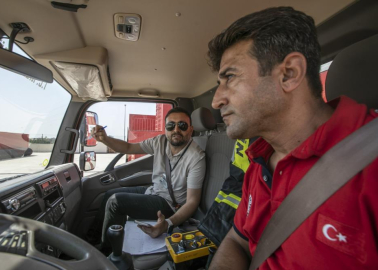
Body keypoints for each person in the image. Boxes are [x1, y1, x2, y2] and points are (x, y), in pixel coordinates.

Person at [207, 6, 378, 270]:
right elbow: (239, 241)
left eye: (230, 77)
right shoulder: (257, 165)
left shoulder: (370, 166)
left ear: (289, 74)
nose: (216, 100)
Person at [89, 107, 206, 252]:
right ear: (165, 129)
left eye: (182, 125)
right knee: (109, 194)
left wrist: (167, 223)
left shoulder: (196, 157)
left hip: (170, 205)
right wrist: (105, 139)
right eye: (171, 125)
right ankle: (91, 241)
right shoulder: (160, 141)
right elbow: (128, 147)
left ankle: (107, 254)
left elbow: (192, 202)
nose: (176, 129)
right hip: (154, 191)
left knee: (115, 202)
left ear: (190, 129)